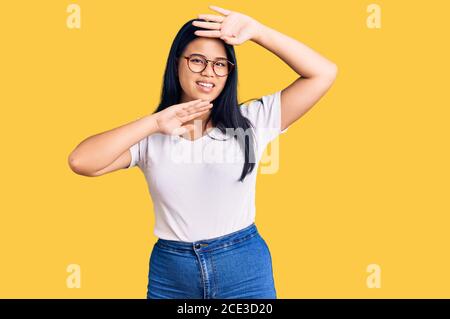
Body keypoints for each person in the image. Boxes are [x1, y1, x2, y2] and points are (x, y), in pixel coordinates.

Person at [68, 5, 338, 299]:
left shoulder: (252, 121)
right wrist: (154, 122)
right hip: (171, 273)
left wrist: (258, 32)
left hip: (244, 268)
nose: (209, 72)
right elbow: (81, 161)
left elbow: (323, 73)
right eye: (197, 60)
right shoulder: (151, 135)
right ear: (177, 64)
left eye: (220, 64)